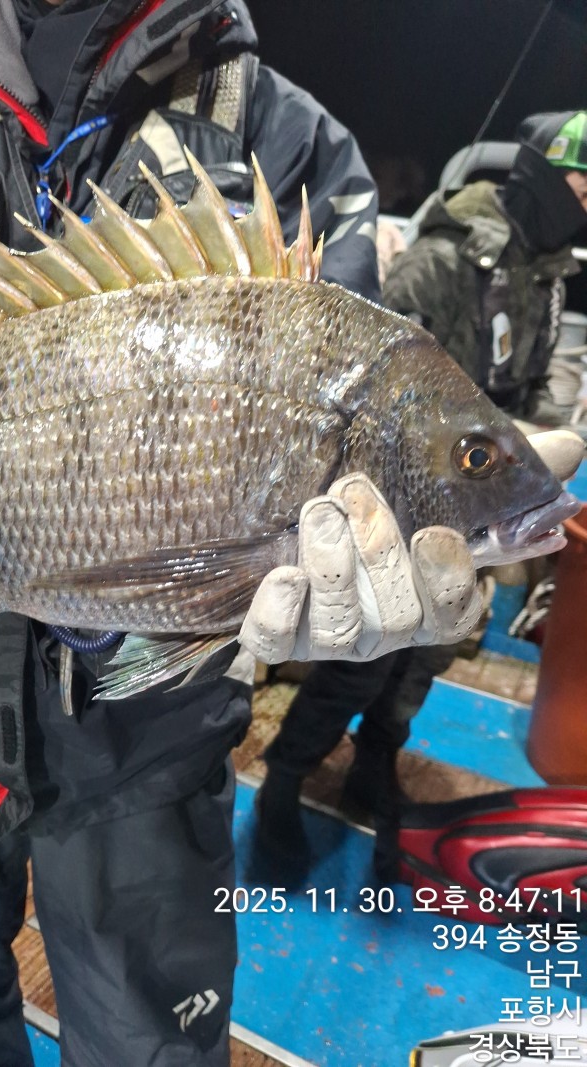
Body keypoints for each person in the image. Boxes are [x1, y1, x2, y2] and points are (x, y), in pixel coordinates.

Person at [0, 3, 546, 1063]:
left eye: (474, 463)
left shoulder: (283, 133)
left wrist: (351, 607)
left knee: (150, 1043)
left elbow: (340, 331)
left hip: (148, 747)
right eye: (473, 461)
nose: (486, 477)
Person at [256, 110, 587, 885]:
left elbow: (538, 375)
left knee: (428, 654)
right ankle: (282, 779)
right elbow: (365, 385)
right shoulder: (441, 260)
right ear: (547, 178)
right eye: (583, 187)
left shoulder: (545, 272)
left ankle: (376, 758)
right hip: (402, 499)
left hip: (477, 503)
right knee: (364, 655)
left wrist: (534, 447)